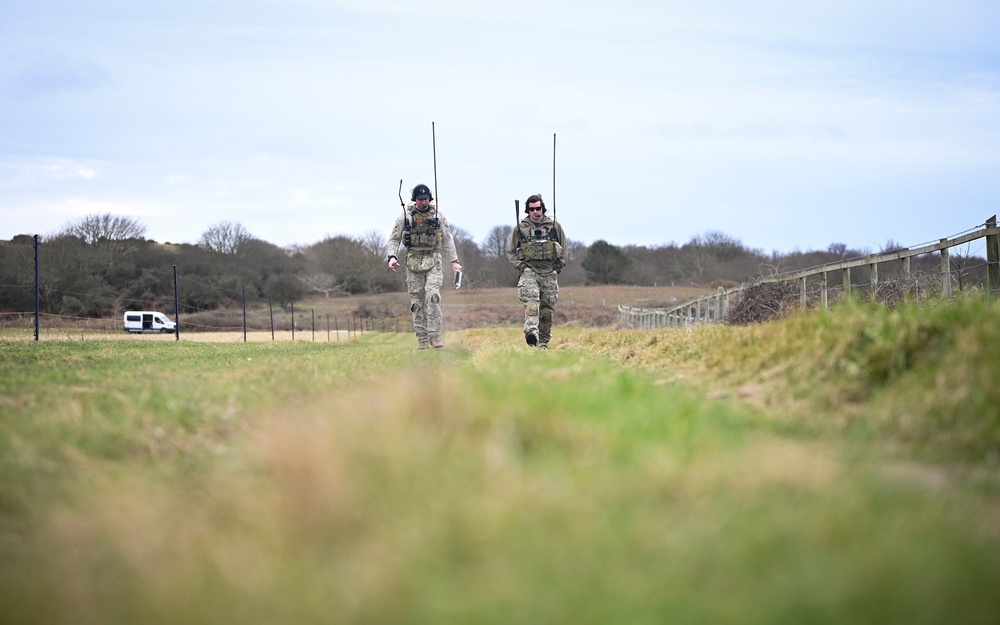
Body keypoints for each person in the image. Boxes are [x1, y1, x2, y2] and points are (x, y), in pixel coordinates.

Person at [385, 183, 462, 349]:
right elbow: (394, 239)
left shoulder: (438, 216)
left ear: (430, 199)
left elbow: (448, 238)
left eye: (426, 199)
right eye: (420, 199)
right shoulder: (405, 217)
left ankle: (435, 335)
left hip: (433, 259)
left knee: (433, 296)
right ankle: (422, 338)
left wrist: (454, 261)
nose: (424, 202)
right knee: (417, 302)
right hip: (413, 261)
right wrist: (392, 256)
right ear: (415, 200)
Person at [507, 193, 567, 349]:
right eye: (532, 209)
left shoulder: (554, 226)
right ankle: (531, 333)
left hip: (549, 273)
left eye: (538, 208)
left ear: (543, 208)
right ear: (528, 210)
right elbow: (511, 252)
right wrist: (523, 267)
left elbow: (564, 248)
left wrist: (558, 268)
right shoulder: (521, 228)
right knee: (532, 303)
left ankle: (543, 342)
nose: (535, 212)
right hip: (530, 272)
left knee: (547, 311)